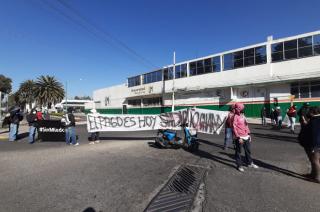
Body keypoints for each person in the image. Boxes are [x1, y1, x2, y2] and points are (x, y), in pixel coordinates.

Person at [232, 103, 259, 172]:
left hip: (246, 136)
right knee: (238, 152)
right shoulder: (235, 117)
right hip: (240, 137)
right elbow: (234, 128)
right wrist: (238, 137)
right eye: (241, 109)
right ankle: (239, 165)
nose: (243, 110)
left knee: (248, 151)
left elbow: (246, 125)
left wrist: (249, 134)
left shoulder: (243, 116)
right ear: (238, 109)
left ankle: (249, 163)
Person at [298, 106, 320, 183]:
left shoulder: (314, 121)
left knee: (315, 161)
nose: (308, 113)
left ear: (312, 112)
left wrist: (304, 124)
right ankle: (312, 174)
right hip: (316, 144)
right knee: (314, 161)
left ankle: (317, 178)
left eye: (309, 111)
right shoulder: (315, 120)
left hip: (315, 145)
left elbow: (313, 134)